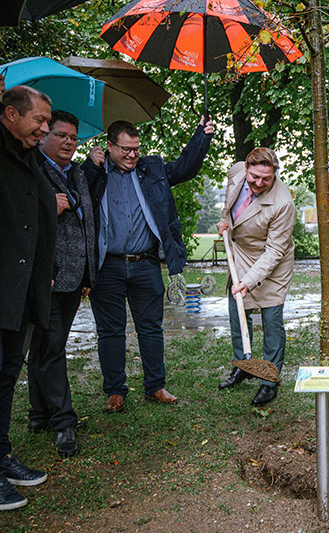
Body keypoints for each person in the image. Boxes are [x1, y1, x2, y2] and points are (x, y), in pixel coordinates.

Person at [82, 118, 214, 414]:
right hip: (107, 266)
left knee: (151, 328)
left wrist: (201, 137)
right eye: (126, 150)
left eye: (136, 149)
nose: (132, 155)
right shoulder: (94, 173)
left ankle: (155, 386)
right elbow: (76, 191)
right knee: (110, 331)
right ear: (110, 146)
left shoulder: (151, 169)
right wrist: (91, 165)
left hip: (145, 264)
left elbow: (184, 168)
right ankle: (115, 391)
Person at [27, 110, 96, 458]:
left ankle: (38, 413)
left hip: (73, 276)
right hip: (44, 276)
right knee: (50, 349)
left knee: (46, 347)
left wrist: (87, 274)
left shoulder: (77, 173)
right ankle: (63, 423)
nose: (69, 142)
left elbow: (87, 223)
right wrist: (44, 208)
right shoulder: (30, 168)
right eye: (61, 135)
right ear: (43, 136)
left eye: (73, 136)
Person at [0, 85, 55, 510]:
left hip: (19, 291)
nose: (45, 128)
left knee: (5, 377)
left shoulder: (29, 154)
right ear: (10, 114)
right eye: (39, 120)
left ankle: (1, 457)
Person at [215, 148, 295, 405]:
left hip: (272, 262)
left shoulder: (283, 203)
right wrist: (224, 221)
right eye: (255, 177)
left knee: (271, 321)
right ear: (246, 168)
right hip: (239, 255)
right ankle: (244, 365)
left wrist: (248, 282)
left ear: (275, 175)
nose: (259, 183)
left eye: (266, 179)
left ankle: (269, 381)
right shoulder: (236, 171)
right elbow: (229, 206)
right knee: (237, 315)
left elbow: (274, 251)